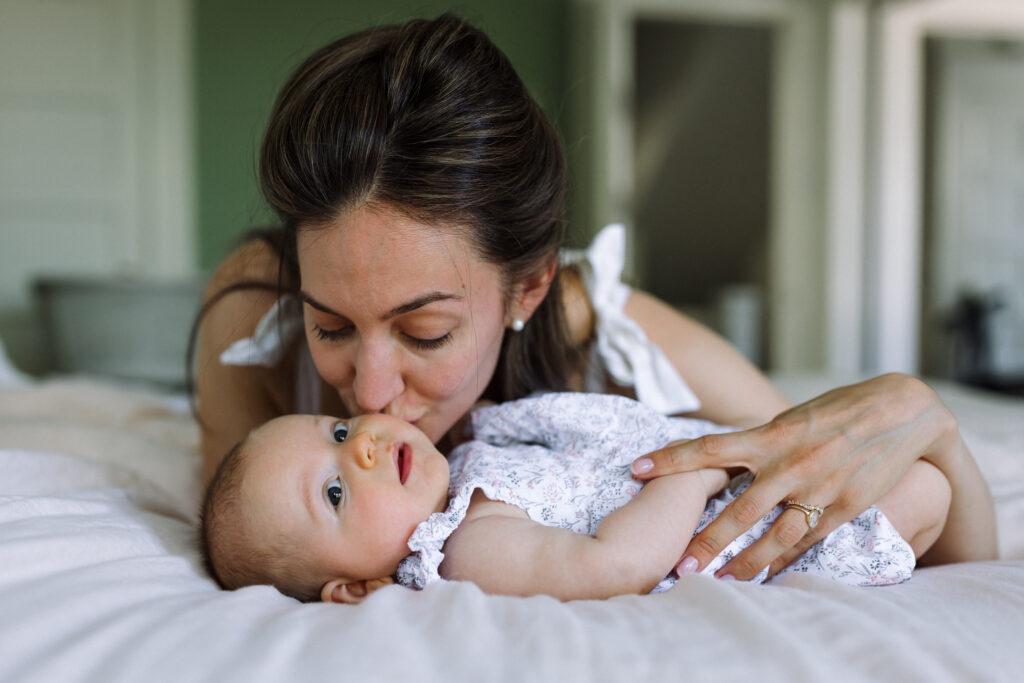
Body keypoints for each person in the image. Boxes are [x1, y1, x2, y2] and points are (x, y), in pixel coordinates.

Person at [191, 13, 997, 584]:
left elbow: (812, 474)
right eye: (330, 323)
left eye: (427, 331)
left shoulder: (599, 326)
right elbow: (245, 538)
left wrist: (937, 430)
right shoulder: (252, 318)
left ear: (529, 287)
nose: (367, 395)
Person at [200, 392, 957, 603]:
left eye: (336, 429)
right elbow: (610, 563)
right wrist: (696, 471)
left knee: (916, 465)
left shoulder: (466, 455)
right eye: (334, 490)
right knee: (924, 489)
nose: (359, 445)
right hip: (742, 523)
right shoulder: (467, 545)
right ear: (351, 587)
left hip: (725, 470)